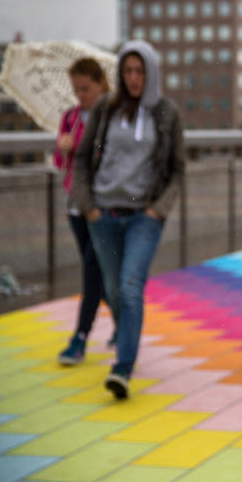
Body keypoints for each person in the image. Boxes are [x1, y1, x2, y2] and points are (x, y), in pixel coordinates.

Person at [72, 41, 185, 400]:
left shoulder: (166, 112)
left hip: (144, 216)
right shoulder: (106, 108)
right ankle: (127, 341)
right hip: (103, 213)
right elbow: (82, 158)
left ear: (151, 73)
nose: (134, 78)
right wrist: (88, 205)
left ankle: (123, 367)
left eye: (141, 71)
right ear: (120, 73)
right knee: (115, 290)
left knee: (132, 285)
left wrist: (158, 209)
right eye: (128, 71)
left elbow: (178, 169)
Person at [55, 58, 113, 365]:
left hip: (102, 207)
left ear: (101, 83)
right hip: (75, 205)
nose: (80, 95)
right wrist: (62, 147)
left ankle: (79, 338)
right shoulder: (70, 118)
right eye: (76, 89)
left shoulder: (111, 116)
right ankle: (123, 323)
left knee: (92, 270)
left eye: (86, 89)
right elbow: (59, 163)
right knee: (99, 271)